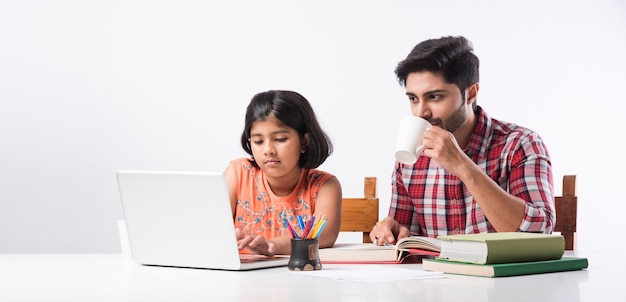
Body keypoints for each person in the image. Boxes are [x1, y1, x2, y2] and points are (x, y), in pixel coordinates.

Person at [370, 36, 555, 246]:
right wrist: (390, 231)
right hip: (435, 278)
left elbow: (539, 235)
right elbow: (404, 241)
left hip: (503, 278)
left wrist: (462, 166)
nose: (421, 112)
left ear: (471, 93)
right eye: (413, 99)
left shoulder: (520, 145)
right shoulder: (411, 156)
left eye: (435, 97)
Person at [225, 90, 342, 256]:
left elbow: (325, 235)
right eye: (258, 141)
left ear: (304, 141)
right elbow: (210, 226)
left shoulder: (325, 186)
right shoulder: (237, 174)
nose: (268, 150)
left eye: (280, 139)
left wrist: (272, 246)